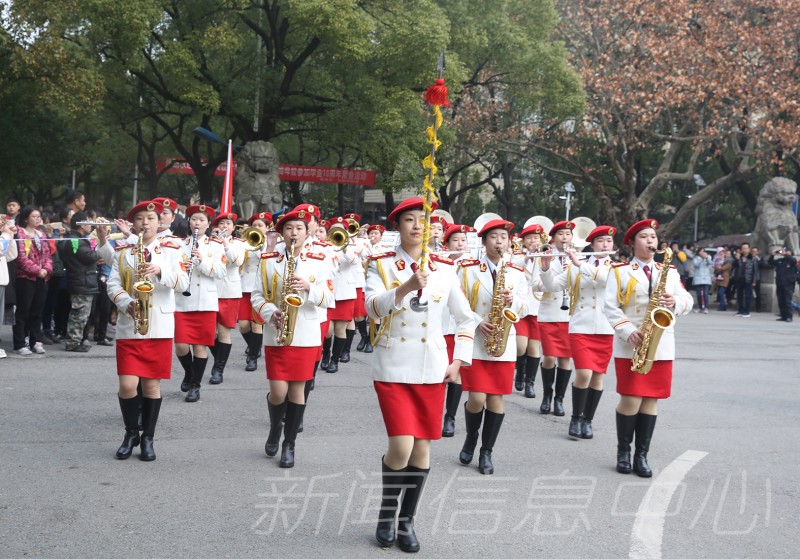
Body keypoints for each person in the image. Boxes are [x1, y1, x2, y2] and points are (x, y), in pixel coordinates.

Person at [365, 198, 477, 552]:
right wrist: (405, 287)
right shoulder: (381, 263)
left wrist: (459, 359)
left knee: (422, 450)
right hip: (394, 364)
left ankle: (406, 521)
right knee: (401, 445)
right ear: (397, 226)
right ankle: (386, 513)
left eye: (422, 221)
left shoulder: (444, 267)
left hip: (432, 367)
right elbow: (370, 307)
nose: (416, 226)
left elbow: (465, 318)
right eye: (409, 220)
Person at [100, 200, 189, 461]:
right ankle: (130, 433)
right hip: (130, 325)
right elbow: (113, 284)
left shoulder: (173, 248)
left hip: (159, 326)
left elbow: (184, 282)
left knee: (151, 387)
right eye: (140, 219)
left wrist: (160, 271)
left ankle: (148, 438)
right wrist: (125, 303)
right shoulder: (123, 250)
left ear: (158, 221)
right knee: (128, 386)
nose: (145, 223)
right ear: (133, 223)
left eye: (150, 218)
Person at [604, 219, 693, 477]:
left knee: (651, 400)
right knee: (631, 398)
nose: (651, 241)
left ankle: (641, 456)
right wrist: (627, 330)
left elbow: (688, 301)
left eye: (653, 237)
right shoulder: (619, 271)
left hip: (661, 344)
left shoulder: (671, 271)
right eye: (644, 237)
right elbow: (610, 307)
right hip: (631, 342)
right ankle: (623, 451)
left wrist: (674, 300)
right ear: (632, 243)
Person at [251, 207, 333, 468]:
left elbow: (329, 297)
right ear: (281, 233)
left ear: (307, 231)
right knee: (278, 391)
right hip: (277, 332)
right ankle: (276, 428)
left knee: (298, 391)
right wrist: (270, 312)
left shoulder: (320, 260)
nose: (294, 233)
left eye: (299, 228)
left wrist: (309, 288)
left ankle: (289, 443)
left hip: (306, 333)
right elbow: (256, 296)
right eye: (289, 228)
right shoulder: (268, 259)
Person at [458, 218, 528, 475]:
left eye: (503, 237)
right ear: (484, 241)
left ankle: (487, 451)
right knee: (476, 398)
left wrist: (513, 302)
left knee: (496, 399)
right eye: (494, 237)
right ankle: (471, 436)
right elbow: (458, 302)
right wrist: (477, 322)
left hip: (503, 341)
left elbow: (527, 306)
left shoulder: (517, 272)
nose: (500, 242)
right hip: (476, 340)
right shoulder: (467, 269)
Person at [540, 225, 616, 440]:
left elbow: (606, 280)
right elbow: (553, 286)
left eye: (608, 242)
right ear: (592, 244)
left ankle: (587, 420)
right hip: (581, 326)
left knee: (598, 378)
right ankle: (576, 417)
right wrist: (545, 268)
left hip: (604, 327)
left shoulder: (616, 267)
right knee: (584, 373)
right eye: (600, 241)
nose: (605, 245)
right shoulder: (575, 266)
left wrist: (579, 263)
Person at [174, 205, 227, 402]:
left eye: (202, 220)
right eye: (194, 219)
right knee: (180, 345)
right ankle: (190, 372)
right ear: (189, 222)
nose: (198, 223)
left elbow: (221, 272)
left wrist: (202, 261)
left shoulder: (215, 245)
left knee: (199, 347)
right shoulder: (179, 244)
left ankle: (195, 386)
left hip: (205, 301)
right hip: (182, 301)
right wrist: (182, 267)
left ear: (208, 223)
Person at [534, 221, 575, 416]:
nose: (565, 237)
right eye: (561, 233)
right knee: (549, 357)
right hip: (550, 311)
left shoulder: (577, 257)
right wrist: (548, 274)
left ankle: (559, 399)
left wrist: (573, 266)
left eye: (568, 234)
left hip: (570, 315)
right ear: (553, 237)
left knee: (565, 359)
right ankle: (547, 395)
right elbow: (535, 284)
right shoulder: (544, 254)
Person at [439, 223, 475, 437]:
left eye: (463, 240)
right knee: (436, 373)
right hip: (437, 323)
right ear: (447, 244)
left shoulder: (470, 266)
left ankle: (450, 417)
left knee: (456, 372)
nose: (460, 244)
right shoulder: (439, 263)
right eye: (455, 240)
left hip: (456, 325)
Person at [57, 212, 107, 352]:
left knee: (82, 314)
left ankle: (76, 340)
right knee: (78, 314)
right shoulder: (75, 240)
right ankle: (73, 342)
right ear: (81, 224)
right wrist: (101, 247)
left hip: (83, 280)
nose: (91, 225)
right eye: (88, 222)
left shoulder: (76, 239)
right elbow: (90, 257)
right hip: (81, 281)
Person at [208, 211, 247, 384]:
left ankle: (218, 369)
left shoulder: (239, 244)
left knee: (223, 332)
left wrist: (224, 242)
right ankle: (219, 360)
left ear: (234, 227)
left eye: (228, 224)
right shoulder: (208, 243)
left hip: (229, 291)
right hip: (209, 291)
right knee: (209, 333)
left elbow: (236, 261)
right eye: (221, 223)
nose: (224, 227)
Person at [322, 217, 361, 373]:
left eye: (341, 230)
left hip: (345, 293)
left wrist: (344, 247)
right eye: (334, 230)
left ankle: (334, 360)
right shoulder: (324, 247)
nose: (337, 232)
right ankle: (325, 355)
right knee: (328, 330)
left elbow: (353, 261)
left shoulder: (351, 248)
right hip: (329, 292)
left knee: (340, 329)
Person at [512, 223, 547, 399]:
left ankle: (529, 382)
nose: (533, 241)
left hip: (539, 307)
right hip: (521, 307)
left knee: (534, 348)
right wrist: (527, 257)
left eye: (536, 238)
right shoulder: (519, 255)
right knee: (520, 346)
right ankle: (519, 371)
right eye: (529, 238)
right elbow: (511, 265)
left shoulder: (548, 256)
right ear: (524, 241)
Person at [13, 206, 53, 355]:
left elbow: (48, 255)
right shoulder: (19, 233)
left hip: (42, 277)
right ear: (25, 218)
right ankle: (20, 343)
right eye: (34, 216)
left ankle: (36, 340)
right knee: (23, 311)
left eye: (39, 217)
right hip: (25, 278)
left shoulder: (41, 234)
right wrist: (37, 270)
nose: (37, 219)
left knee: (37, 311)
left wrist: (47, 269)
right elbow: (21, 257)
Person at [238, 212, 272, 371]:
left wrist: (260, 246)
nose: (257, 228)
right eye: (255, 225)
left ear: (267, 227)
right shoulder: (244, 241)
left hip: (261, 288)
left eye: (260, 225)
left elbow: (268, 260)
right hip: (244, 287)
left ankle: (252, 357)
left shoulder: (271, 243)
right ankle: (255, 346)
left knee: (256, 324)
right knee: (244, 325)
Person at [0, 217, 19, 357]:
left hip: (2, 280)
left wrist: (10, 236)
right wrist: (6, 234)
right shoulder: (2, 237)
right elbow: (1, 249)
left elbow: (11, 255)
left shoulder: (3, 236)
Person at [768, 248, 798, 322]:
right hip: (780, 283)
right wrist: (772, 255)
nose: (783, 252)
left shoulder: (792, 261)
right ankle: (783, 315)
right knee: (781, 300)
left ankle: (789, 316)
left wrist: (785, 254)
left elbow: (794, 260)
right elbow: (771, 262)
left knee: (787, 300)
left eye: (786, 251)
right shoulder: (781, 261)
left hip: (788, 284)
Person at [733, 242, 759, 317]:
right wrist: (737, 259)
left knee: (748, 296)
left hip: (749, 279)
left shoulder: (752, 258)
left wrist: (754, 281)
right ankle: (740, 310)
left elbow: (755, 271)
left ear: (749, 249)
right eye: (743, 248)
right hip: (740, 278)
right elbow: (734, 266)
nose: (744, 250)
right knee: (739, 295)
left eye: (745, 248)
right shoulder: (739, 257)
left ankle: (747, 311)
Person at [692, 248, 714, 314]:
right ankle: (700, 307)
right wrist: (702, 259)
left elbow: (710, 263)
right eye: (701, 251)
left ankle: (705, 308)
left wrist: (706, 258)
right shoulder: (695, 258)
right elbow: (696, 265)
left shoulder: (708, 257)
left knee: (705, 294)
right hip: (698, 278)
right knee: (699, 294)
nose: (702, 253)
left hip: (706, 278)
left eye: (703, 251)